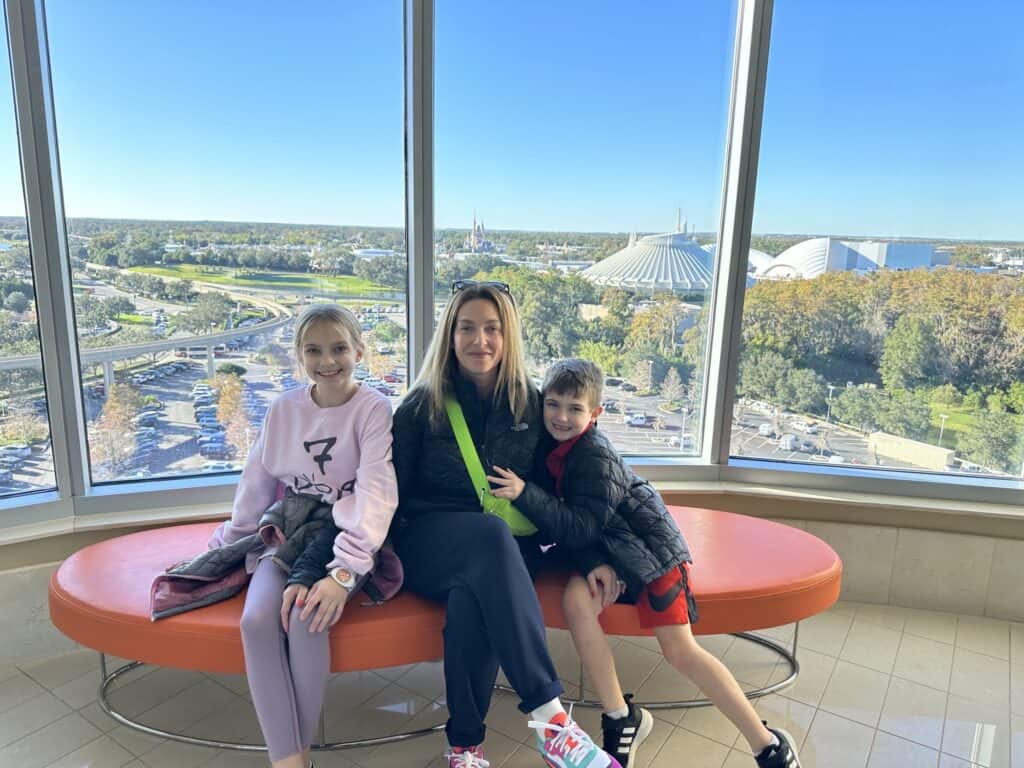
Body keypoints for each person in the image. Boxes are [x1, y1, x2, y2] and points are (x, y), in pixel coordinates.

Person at [489, 358, 802, 768]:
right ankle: (621, 717)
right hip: (609, 551)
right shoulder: (552, 447)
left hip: (650, 556)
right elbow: (574, 526)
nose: (562, 417)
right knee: (577, 603)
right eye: (553, 404)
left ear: (595, 413)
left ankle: (767, 744)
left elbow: (579, 524)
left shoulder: (594, 455)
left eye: (575, 408)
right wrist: (595, 562)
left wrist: (525, 493)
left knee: (681, 651)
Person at [391, 281, 620, 768]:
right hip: (428, 542)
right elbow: (389, 495)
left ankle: (465, 748)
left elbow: (551, 491)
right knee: (488, 540)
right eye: (467, 328)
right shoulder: (420, 407)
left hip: (496, 555)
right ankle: (551, 720)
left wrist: (591, 557)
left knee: (470, 601)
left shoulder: (530, 407)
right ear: (450, 336)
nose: (480, 341)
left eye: (492, 329)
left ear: (508, 335)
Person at [208, 304, 398, 768]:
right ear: (299, 355)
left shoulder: (373, 409)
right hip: (288, 529)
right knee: (256, 622)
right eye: (313, 350)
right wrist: (229, 543)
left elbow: (376, 492)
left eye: (338, 348)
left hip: (344, 537)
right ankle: (293, 760)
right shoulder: (283, 409)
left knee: (305, 616)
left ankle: (294, 759)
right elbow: (256, 482)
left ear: (359, 349)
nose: (327, 361)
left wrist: (343, 572)